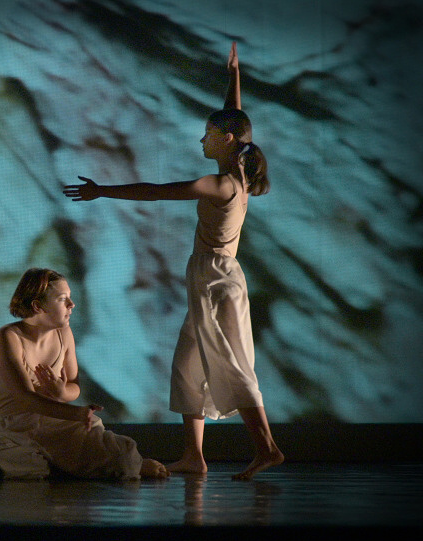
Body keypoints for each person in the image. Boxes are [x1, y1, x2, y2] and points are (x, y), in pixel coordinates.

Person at [63, 43, 284, 480]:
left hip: (218, 280)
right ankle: (194, 456)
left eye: (207, 133)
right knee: (187, 367)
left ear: (224, 140)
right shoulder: (237, 167)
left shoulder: (221, 185)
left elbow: (156, 191)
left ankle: (268, 449)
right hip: (208, 278)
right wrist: (233, 77)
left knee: (231, 363)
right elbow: (237, 120)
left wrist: (101, 191)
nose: (202, 139)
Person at [0, 268, 168, 480]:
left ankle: (60, 466)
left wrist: (61, 392)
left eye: (70, 298)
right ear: (38, 306)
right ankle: (62, 466)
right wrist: (75, 414)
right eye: (62, 299)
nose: (71, 305)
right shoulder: (8, 337)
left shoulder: (64, 333)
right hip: (14, 429)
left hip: (56, 425)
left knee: (124, 457)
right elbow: (25, 398)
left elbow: (74, 387)